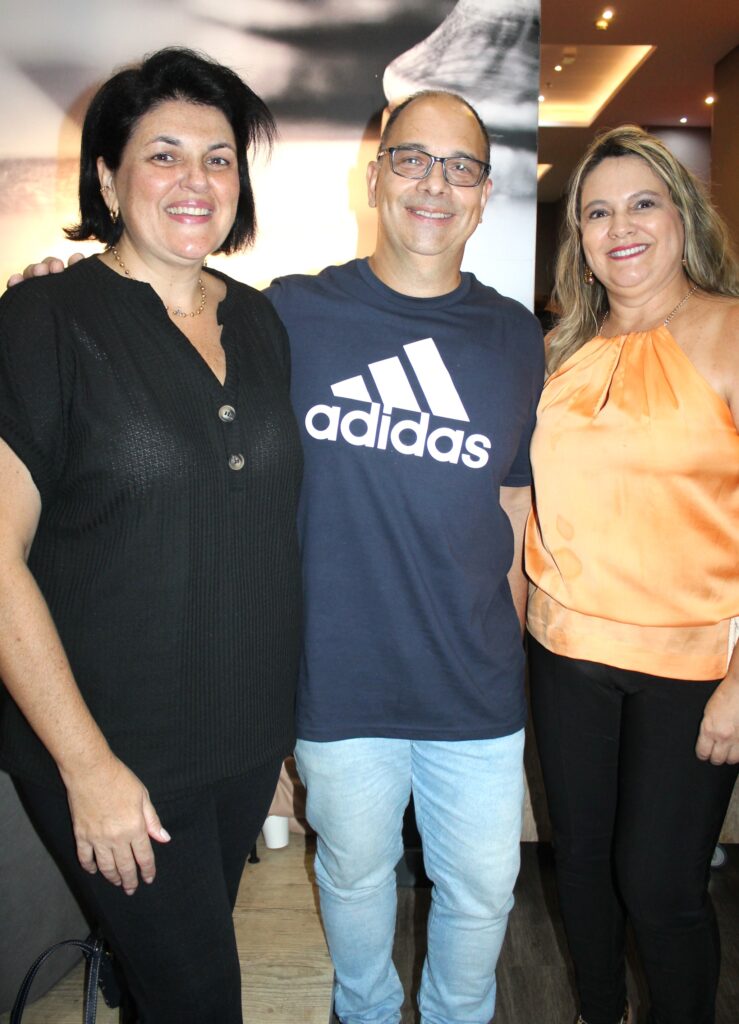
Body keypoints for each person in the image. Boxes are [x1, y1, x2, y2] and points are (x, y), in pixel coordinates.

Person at [14, 90, 544, 1023]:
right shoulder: (290, 314)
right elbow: (150, 321)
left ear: (484, 192)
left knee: (482, 891)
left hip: (471, 685)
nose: (434, 183)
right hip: (334, 684)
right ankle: (363, 1012)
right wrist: (64, 289)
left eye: (460, 166)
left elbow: (510, 506)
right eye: (412, 159)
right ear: (373, 177)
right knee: (352, 874)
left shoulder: (514, 337)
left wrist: (512, 655)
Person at [0, 47, 302, 1024]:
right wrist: (86, 767)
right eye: (163, 154)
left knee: (160, 981)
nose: (195, 180)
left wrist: (278, 749)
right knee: (201, 997)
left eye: (218, 158)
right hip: (110, 743)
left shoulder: (261, 323)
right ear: (107, 177)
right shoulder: (44, 319)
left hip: (241, 735)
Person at [524, 126, 739, 1024]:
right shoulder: (559, 350)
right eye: (597, 212)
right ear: (577, 237)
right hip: (564, 650)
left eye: (642, 203)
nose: (621, 228)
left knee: (659, 887)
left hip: (691, 667)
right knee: (578, 868)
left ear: (682, 215)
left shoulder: (730, 331)